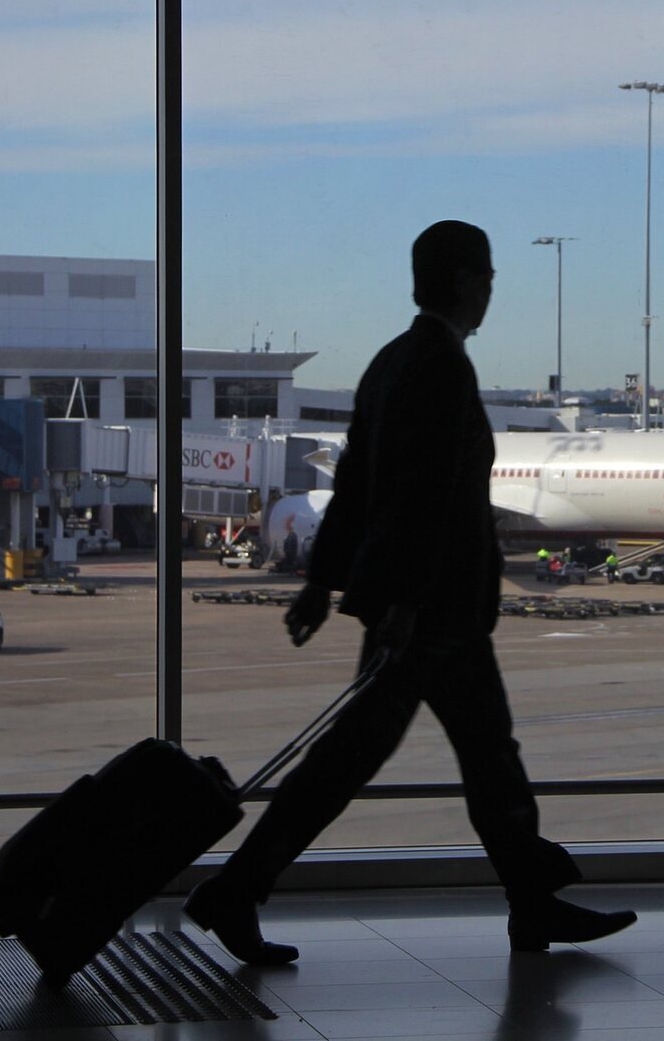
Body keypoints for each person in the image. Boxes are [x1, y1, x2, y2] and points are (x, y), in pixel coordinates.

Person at [184, 221, 636, 965]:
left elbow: (357, 485)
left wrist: (323, 585)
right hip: (434, 616)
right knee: (436, 759)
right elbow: (426, 502)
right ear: (463, 281)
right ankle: (237, 888)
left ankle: (530, 902)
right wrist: (404, 602)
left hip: (419, 608)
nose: (493, 289)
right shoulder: (441, 368)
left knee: (450, 758)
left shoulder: (392, 361)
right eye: (487, 275)